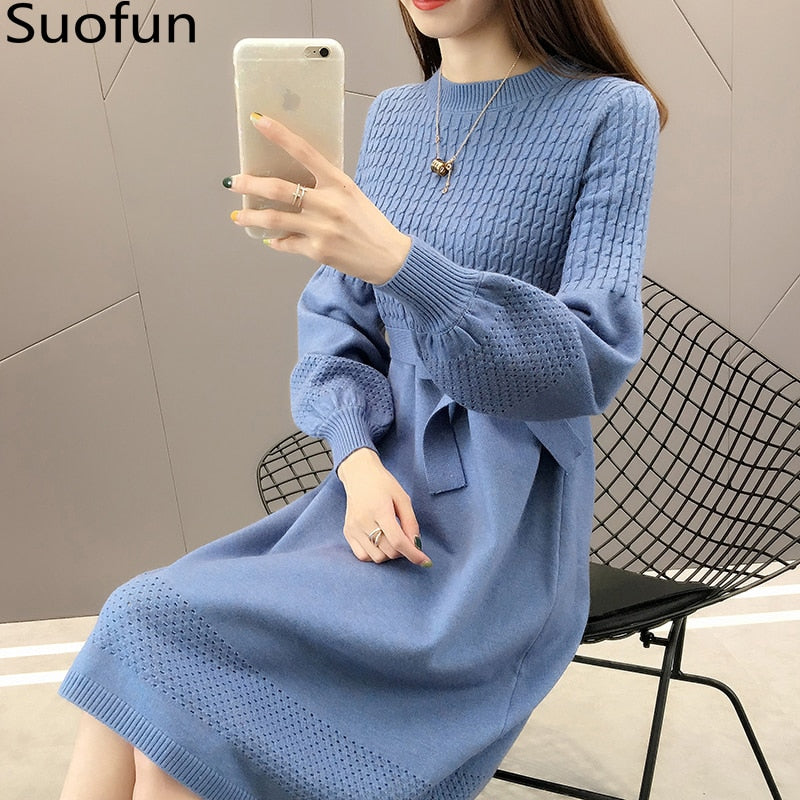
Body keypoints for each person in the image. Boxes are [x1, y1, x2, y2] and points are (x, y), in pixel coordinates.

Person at [58, 0, 665, 798]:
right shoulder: (395, 119)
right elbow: (336, 319)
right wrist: (355, 462)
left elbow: (590, 359)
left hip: (498, 532)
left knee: (173, 694)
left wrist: (401, 262)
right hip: (373, 491)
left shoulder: (609, 111)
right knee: (141, 626)